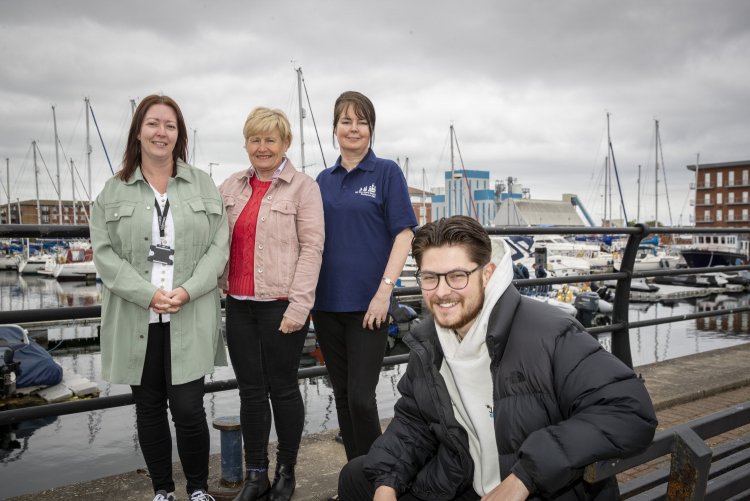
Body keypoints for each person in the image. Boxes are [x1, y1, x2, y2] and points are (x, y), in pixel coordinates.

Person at [339, 216, 657, 500]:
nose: (441, 292)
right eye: (430, 278)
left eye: (457, 276)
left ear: (487, 273)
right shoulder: (428, 340)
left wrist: (524, 477)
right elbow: (414, 422)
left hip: (542, 489)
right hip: (465, 479)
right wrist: (387, 483)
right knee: (357, 477)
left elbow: (630, 410)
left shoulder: (550, 334)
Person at [90, 94, 229, 501]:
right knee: (148, 410)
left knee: (188, 409)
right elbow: (104, 254)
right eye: (153, 123)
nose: (161, 132)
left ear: (179, 134)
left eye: (170, 125)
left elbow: (219, 245)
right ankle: (163, 491)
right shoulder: (112, 191)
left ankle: (199, 489)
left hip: (190, 313)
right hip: (138, 318)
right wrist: (148, 294)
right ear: (138, 130)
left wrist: (188, 290)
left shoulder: (202, 183)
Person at [218, 107, 324, 501]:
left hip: (281, 304)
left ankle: (286, 470)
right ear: (246, 143)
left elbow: (313, 248)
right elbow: (214, 243)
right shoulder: (230, 186)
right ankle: (256, 474)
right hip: (239, 305)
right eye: (255, 139)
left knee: (282, 389)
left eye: (270, 140)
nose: (262, 147)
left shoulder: (303, 188)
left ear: (285, 144)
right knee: (250, 392)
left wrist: (300, 306)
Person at [313, 91, 417, 465]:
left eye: (361, 121)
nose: (353, 128)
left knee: (361, 395)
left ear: (371, 128)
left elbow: (404, 234)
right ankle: (357, 477)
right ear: (335, 129)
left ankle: (379, 478)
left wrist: (383, 293)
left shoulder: (386, 172)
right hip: (325, 303)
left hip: (369, 305)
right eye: (345, 121)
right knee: (341, 395)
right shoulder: (322, 180)